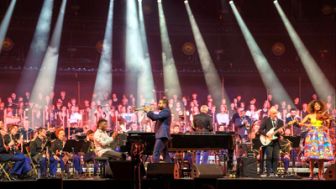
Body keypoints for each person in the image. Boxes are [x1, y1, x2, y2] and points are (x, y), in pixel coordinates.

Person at [299, 100, 334, 180]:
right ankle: (311, 174)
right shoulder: (309, 116)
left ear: (320, 106)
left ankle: (320, 174)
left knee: (321, 156)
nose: (317, 106)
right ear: (313, 107)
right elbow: (301, 123)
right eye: (316, 105)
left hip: (321, 136)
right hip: (312, 136)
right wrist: (306, 124)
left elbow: (328, 127)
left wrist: (328, 122)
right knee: (312, 156)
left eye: (318, 105)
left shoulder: (323, 115)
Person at [258, 107, 284, 177]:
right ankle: (268, 173)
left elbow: (282, 132)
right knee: (269, 157)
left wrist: (281, 132)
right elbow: (260, 130)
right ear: (270, 114)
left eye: (276, 113)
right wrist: (266, 134)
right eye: (273, 113)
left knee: (276, 157)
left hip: (276, 141)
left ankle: (275, 172)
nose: (275, 114)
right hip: (268, 141)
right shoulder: (266, 120)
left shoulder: (280, 122)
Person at [144, 98, 172, 163]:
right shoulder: (164, 111)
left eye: (160, 103)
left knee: (155, 154)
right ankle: (171, 170)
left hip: (162, 135)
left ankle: (155, 171)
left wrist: (148, 111)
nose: (158, 105)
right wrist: (148, 112)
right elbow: (154, 117)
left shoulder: (166, 111)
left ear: (164, 104)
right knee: (165, 155)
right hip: (161, 135)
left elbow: (155, 117)